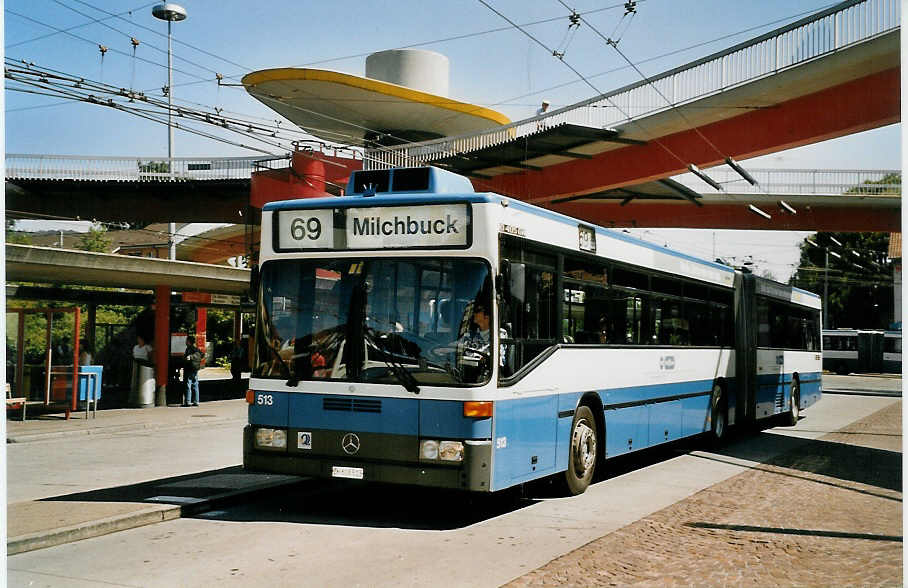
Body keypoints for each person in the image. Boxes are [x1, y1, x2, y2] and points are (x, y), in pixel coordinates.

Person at [183, 335, 202, 407]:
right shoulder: (196, 349)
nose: (185, 342)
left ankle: (188, 401)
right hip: (195, 369)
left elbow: (187, 358)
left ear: (188, 341)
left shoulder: (190, 349)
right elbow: (202, 355)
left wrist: (189, 357)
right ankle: (196, 401)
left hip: (189, 368)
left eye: (186, 340)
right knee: (195, 384)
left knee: (188, 384)